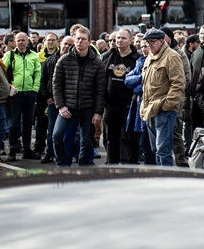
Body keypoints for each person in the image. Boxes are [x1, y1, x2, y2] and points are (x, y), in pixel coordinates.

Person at [52, 27, 106, 167]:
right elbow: (56, 84)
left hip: (87, 108)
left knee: (86, 141)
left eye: (83, 39)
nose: (80, 41)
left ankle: (83, 170)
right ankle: (62, 166)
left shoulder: (97, 62)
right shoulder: (64, 60)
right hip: (67, 107)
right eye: (77, 39)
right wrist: (61, 106)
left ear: (89, 42)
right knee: (57, 136)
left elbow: (101, 89)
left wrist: (98, 112)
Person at [140, 28, 186, 167]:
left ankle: (167, 181)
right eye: (147, 42)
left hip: (164, 110)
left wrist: (167, 105)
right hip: (150, 109)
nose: (149, 45)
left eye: (152, 42)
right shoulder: (149, 57)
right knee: (155, 149)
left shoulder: (171, 56)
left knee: (163, 150)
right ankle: (161, 178)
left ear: (162, 41)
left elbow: (178, 83)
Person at [102, 29, 141, 164]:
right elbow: (101, 81)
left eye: (123, 38)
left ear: (131, 40)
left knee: (131, 139)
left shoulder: (138, 59)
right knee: (111, 139)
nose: (119, 40)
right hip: (111, 106)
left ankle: (132, 168)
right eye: (117, 38)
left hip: (130, 106)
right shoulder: (107, 56)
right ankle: (112, 167)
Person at [4, 32, 41, 160]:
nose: (21, 43)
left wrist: (35, 89)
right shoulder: (10, 55)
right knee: (14, 123)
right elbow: (3, 73)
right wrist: (9, 87)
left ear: (27, 41)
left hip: (30, 93)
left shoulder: (34, 55)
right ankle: (12, 149)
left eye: (23, 40)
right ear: (15, 41)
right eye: (18, 40)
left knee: (28, 122)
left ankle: (27, 149)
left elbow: (37, 73)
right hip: (15, 93)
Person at [39, 35, 72, 164]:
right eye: (66, 44)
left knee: (70, 132)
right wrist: (47, 97)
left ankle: (68, 154)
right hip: (53, 101)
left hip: (69, 101)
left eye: (70, 44)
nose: (67, 47)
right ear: (60, 43)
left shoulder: (74, 60)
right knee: (52, 130)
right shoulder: (50, 60)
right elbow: (43, 80)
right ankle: (49, 153)